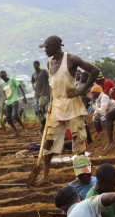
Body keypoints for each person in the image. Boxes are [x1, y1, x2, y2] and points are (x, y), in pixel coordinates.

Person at [35, 35, 100, 185]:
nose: (45, 50)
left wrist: (82, 90)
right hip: (56, 107)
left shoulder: (71, 59)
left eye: (46, 47)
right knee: (48, 142)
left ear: (55, 47)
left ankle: (83, 177)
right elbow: (54, 86)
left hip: (72, 105)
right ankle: (45, 177)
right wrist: (50, 103)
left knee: (79, 142)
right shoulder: (49, 63)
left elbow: (94, 70)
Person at [0, 70, 27, 136]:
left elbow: (20, 87)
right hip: (8, 102)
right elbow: (4, 92)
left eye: (4, 77)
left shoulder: (12, 80)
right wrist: (5, 98)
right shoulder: (3, 84)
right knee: (8, 118)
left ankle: (23, 127)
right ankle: (16, 131)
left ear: (6, 75)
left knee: (14, 116)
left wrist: (24, 96)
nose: (3, 78)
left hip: (14, 100)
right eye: (2, 78)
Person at [31, 61, 50, 132]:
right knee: (38, 111)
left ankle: (46, 121)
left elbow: (49, 76)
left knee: (41, 106)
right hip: (37, 94)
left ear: (39, 65)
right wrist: (33, 86)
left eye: (36, 65)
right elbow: (32, 81)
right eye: (34, 65)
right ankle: (44, 123)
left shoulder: (43, 71)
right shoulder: (33, 74)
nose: (35, 66)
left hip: (44, 93)